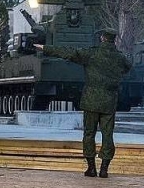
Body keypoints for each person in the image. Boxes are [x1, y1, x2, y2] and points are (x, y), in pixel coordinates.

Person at [34, 28, 132, 178]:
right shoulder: (119, 58)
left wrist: (46, 48)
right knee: (108, 135)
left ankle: (91, 168)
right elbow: (128, 67)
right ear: (114, 40)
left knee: (89, 134)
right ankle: (104, 169)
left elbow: (69, 53)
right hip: (109, 101)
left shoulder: (92, 54)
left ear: (102, 38)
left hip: (91, 101)